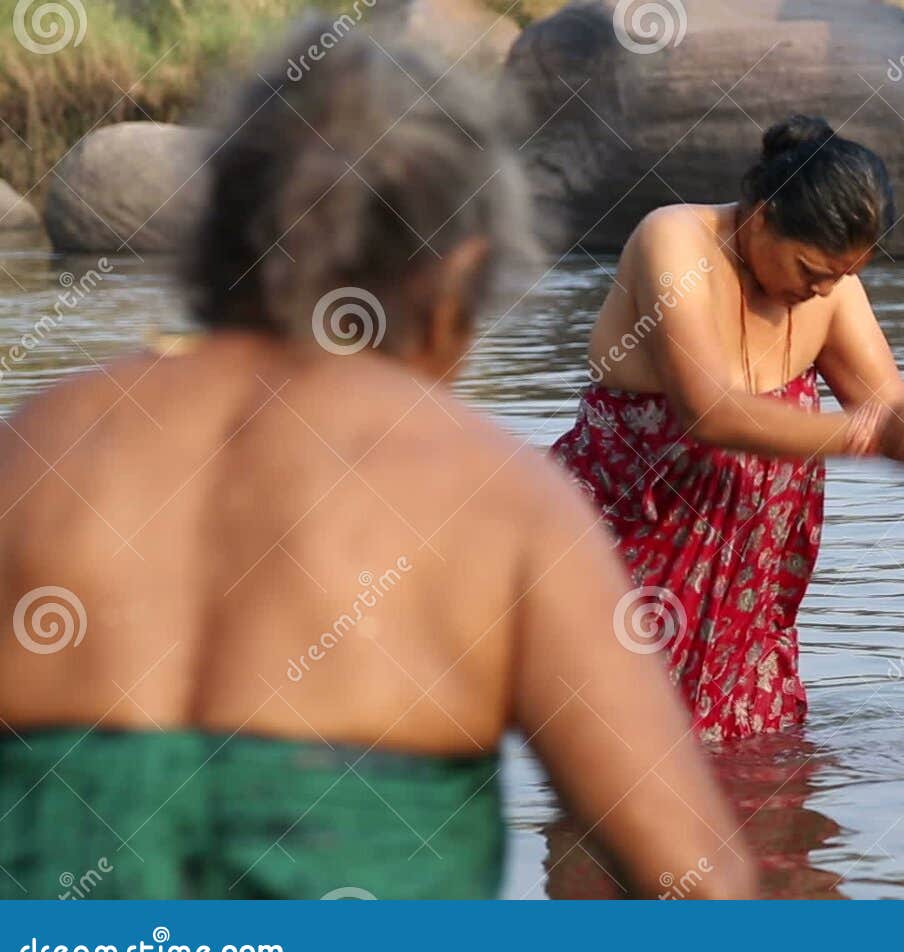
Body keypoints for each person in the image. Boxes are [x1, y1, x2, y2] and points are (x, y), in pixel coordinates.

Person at [0, 23, 752, 900]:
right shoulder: (500, 501)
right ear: (461, 270)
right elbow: (701, 886)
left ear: (215, 232)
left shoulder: (32, 452)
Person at [551, 115, 904, 747]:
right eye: (811, 269)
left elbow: (892, 413)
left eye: (840, 276)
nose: (822, 290)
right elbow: (709, 411)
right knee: (614, 770)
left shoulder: (828, 291)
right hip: (622, 566)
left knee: (761, 785)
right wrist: (872, 436)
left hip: (745, 600)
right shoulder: (674, 241)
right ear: (760, 216)